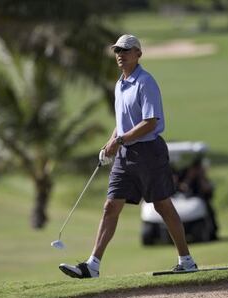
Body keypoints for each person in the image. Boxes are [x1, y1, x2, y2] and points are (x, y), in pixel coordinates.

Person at [59, 34, 197, 279]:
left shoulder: (146, 82)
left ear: (138, 54)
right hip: (125, 154)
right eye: (117, 51)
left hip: (149, 152)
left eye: (126, 50)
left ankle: (186, 260)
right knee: (110, 206)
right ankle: (92, 265)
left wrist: (120, 140)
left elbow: (149, 122)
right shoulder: (120, 84)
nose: (120, 54)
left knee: (162, 205)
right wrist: (111, 141)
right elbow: (123, 122)